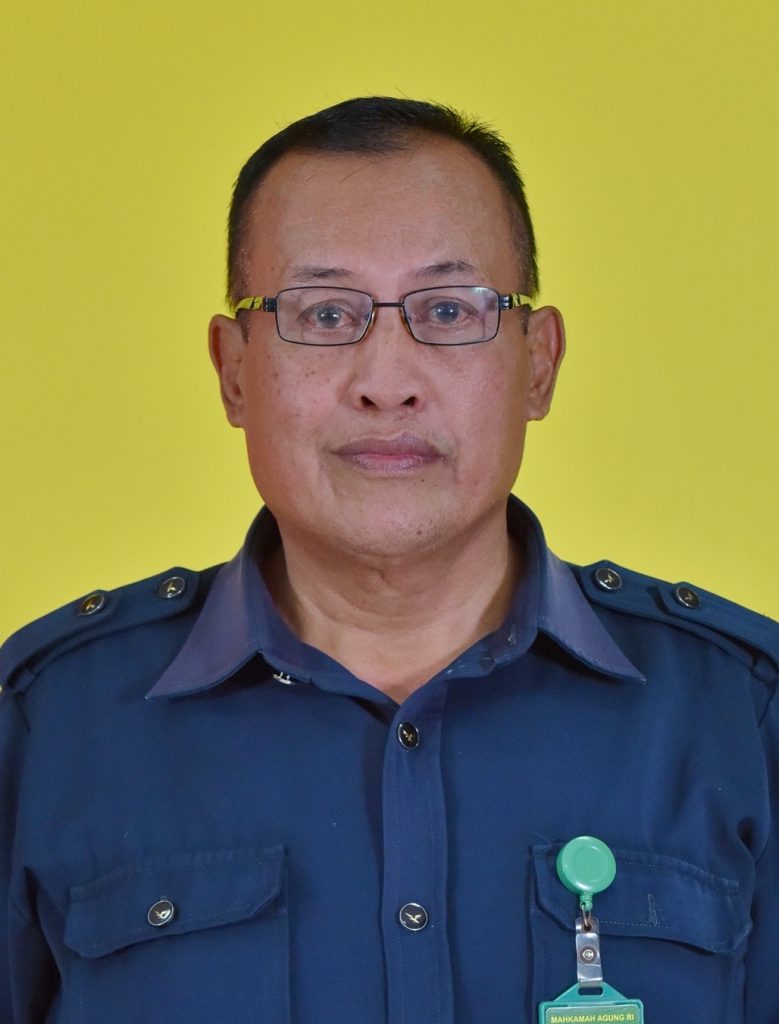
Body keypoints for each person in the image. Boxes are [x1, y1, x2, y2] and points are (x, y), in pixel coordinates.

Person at [0, 97, 777, 1024]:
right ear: (233, 369)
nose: (385, 382)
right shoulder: (50, 726)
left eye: (447, 310)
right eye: (324, 313)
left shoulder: (738, 716)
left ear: (538, 363)